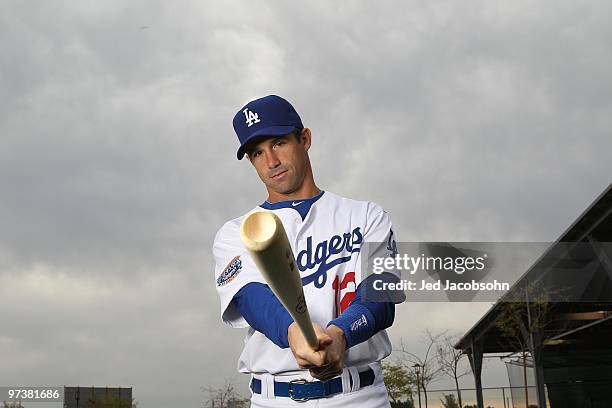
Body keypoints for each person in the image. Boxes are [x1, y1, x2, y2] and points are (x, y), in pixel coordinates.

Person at [213, 95, 400, 407]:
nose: (270, 161)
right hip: (276, 398)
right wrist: (293, 333)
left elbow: (380, 294)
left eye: (279, 143)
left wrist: (341, 334)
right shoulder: (237, 232)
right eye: (257, 152)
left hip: (359, 396)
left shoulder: (365, 215)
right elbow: (252, 298)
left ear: (305, 139)